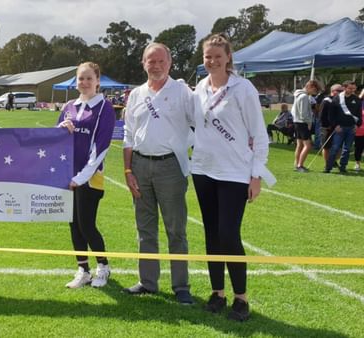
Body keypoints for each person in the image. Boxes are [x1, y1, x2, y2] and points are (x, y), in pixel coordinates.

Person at [192, 34, 275, 321]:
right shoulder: (200, 87)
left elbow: (259, 135)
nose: (212, 61)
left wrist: (256, 176)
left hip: (234, 173)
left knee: (229, 233)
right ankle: (217, 293)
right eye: (207, 56)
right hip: (203, 170)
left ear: (228, 57)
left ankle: (241, 298)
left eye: (217, 56)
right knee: (211, 233)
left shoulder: (243, 88)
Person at [122, 42, 195, 304]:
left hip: (170, 167)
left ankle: (181, 286)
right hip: (140, 166)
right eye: (150, 61)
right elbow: (128, 134)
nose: (156, 66)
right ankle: (148, 282)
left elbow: (199, 124)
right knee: (145, 229)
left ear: (170, 63)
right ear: (143, 63)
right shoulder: (136, 94)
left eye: (161, 61)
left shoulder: (183, 92)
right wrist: (128, 169)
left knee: (176, 229)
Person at [57, 62, 115, 288]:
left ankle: (103, 266)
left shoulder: (104, 107)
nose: (85, 82)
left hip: (90, 177)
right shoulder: (69, 105)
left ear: (98, 81)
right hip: (67, 174)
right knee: (73, 224)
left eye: (89, 78)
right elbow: (55, 138)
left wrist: (81, 177)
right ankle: (83, 270)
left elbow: (101, 147)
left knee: (87, 224)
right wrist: (61, 126)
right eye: (81, 78)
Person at [324, 81, 362, 173]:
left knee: (347, 149)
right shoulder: (337, 98)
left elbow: (358, 114)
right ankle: (328, 167)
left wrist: (357, 125)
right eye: (350, 88)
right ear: (344, 88)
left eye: (354, 89)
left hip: (351, 128)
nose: (352, 90)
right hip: (339, 127)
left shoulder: (356, 99)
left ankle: (343, 167)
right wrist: (335, 126)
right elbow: (331, 115)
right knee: (335, 147)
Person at [291, 80, 321, 172]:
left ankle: (296, 164)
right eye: (315, 90)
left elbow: (293, 111)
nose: (315, 93)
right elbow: (303, 113)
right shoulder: (304, 96)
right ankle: (300, 165)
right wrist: (308, 123)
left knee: (299, 144)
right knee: (308, 145)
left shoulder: (299, 95)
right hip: (302, 123)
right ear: (310, 87)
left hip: (297, 122)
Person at [319, 84, 343, 166]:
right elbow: (321, 116)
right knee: (326, 147)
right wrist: (327, 126)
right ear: (333, 91)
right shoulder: (326, 101)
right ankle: (327, 164)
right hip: (327, 128)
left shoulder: (340, 101)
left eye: (342, 91)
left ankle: (333, 160)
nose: (341, 92)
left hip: (337, 127)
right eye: (339, 91)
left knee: (338, 147)